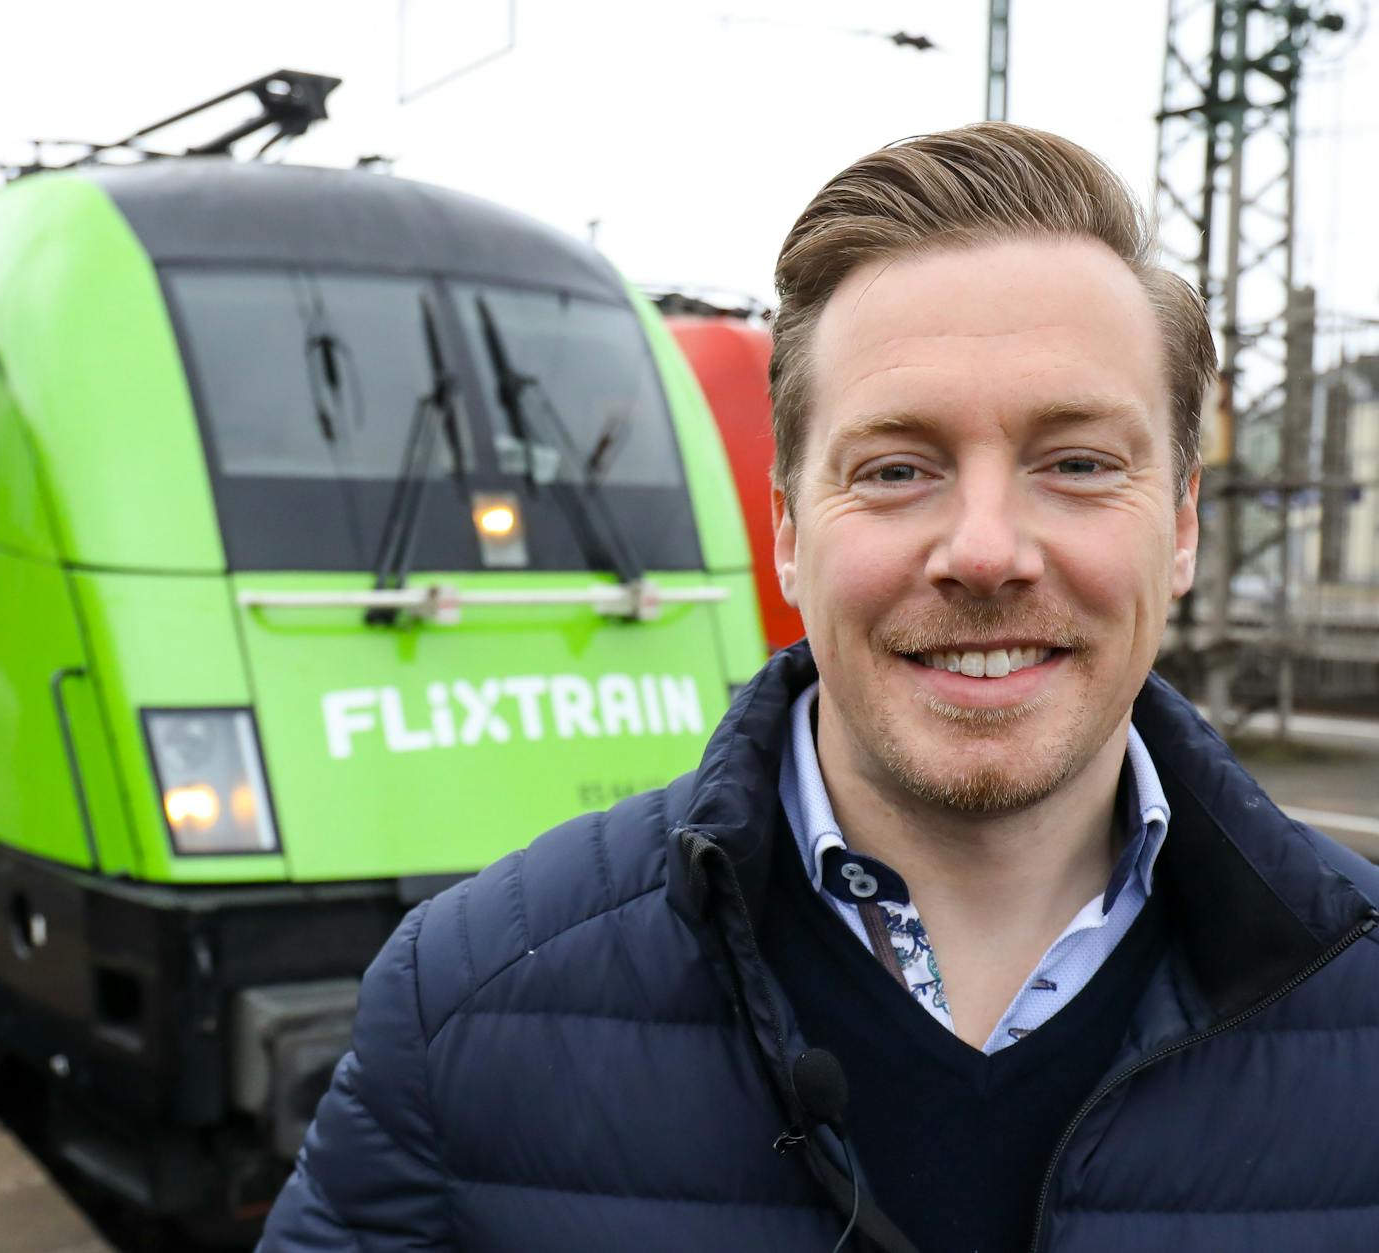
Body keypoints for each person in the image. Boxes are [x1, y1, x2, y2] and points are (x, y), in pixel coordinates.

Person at [259, 124, 1379, 1252]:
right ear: (789, 532)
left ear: (1178, 527)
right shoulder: (458, 1006)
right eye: (895, 469)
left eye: (1077, 463)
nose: (984, 551)